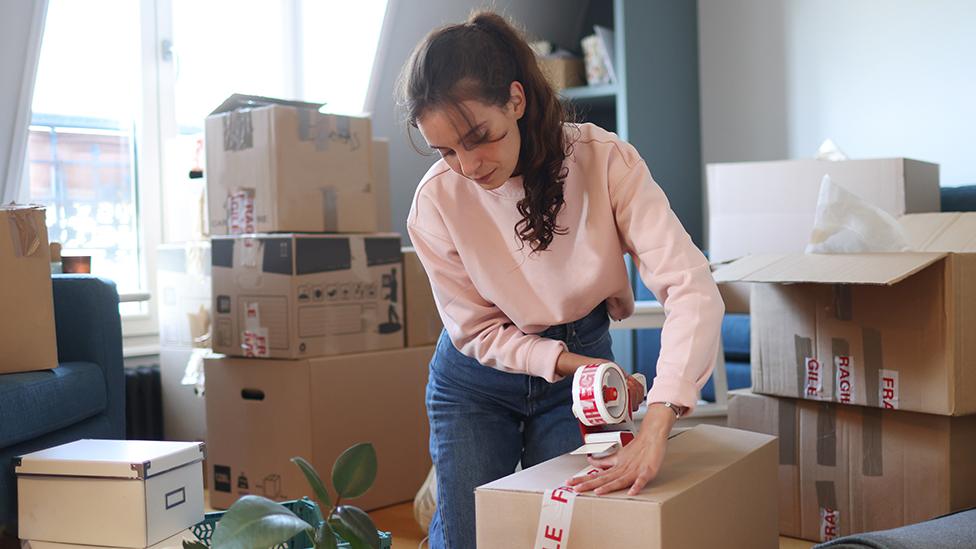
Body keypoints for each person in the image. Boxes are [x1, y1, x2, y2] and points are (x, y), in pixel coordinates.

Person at [399, 11, 724, 549]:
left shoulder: (605, 161)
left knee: (571, 532)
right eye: (445, 151)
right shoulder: (435, 201)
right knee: (468, 538)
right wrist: (580, 365)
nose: (468, 165)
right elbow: (477, 333)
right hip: (476, 382)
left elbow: (690, 287)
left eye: (479, 137)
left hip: (577, 382)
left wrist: (658, 420)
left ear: (517, 100)